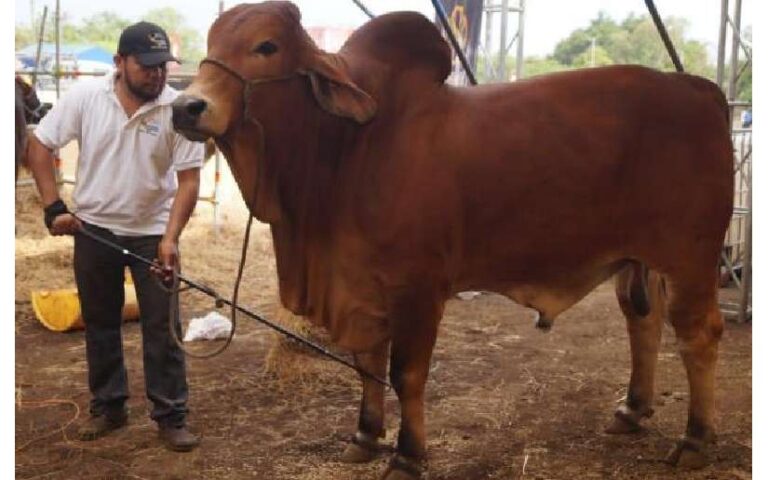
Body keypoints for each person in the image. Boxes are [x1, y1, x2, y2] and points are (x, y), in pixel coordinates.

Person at [26, 21, 204, 452]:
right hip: (93, 230)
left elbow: (189, 181)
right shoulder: (86, 97)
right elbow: (40, 145)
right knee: (100, 324)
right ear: (119, 62)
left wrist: (170, 239)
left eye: (162, 66)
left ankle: (171, 416)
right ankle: (109, 407)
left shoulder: (177, 109)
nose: (156, 75)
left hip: (153, 234)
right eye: (147, 66)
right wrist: (53, 206)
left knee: (163, 329)